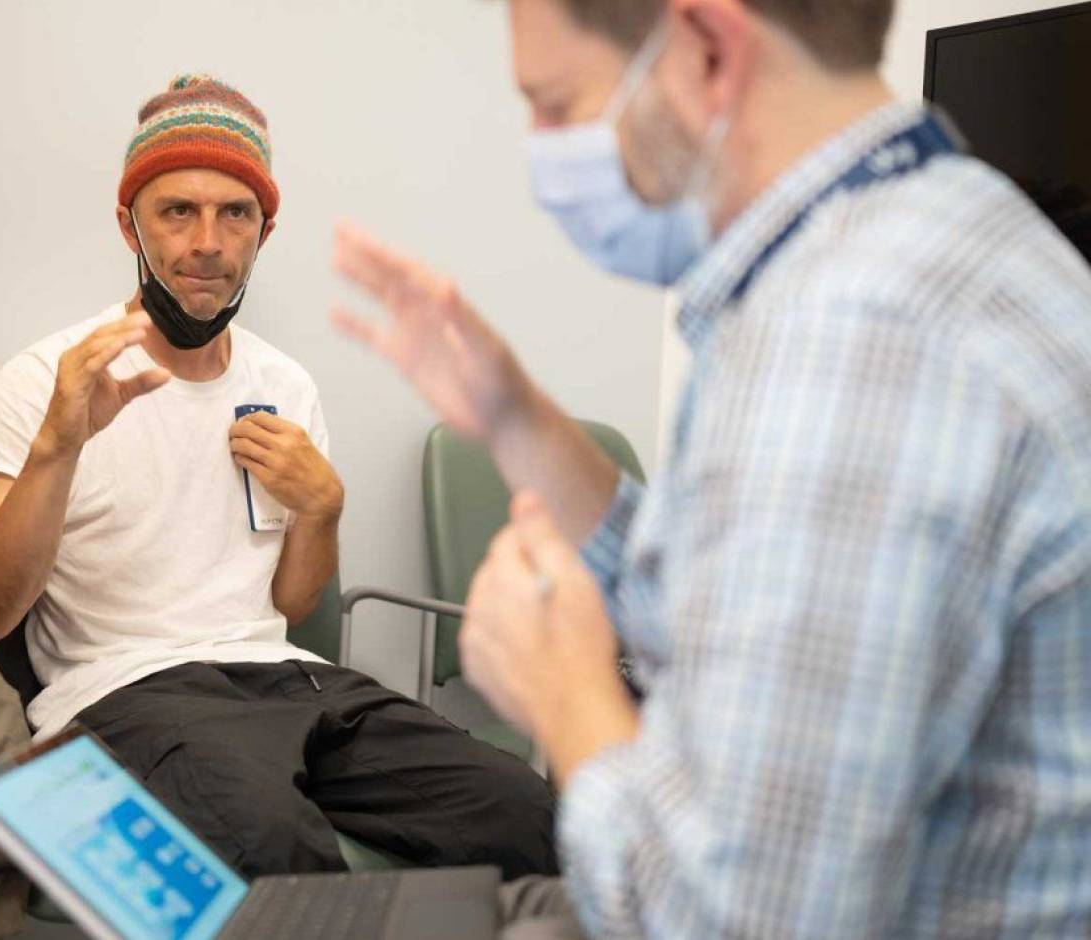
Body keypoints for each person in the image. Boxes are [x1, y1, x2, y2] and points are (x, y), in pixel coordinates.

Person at [332, 0, 1091, 936]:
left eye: (559, 104)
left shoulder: (855, 342)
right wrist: (515, 417)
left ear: (704, 50)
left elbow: (736, 919)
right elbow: (721, 589)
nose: (541, 153)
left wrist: (565, 696)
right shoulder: (947, 232)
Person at [0, 74, 558, 880]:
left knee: (528, 813)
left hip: (291, 682)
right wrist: (57, 448)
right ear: (129, 225)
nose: (207, 241)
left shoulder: (287, 386)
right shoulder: (48, 378)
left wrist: (325, 508)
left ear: (263, 231)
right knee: (276, 852)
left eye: (234, 213)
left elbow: (290, 603)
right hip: (128, 693)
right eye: (178, 211)